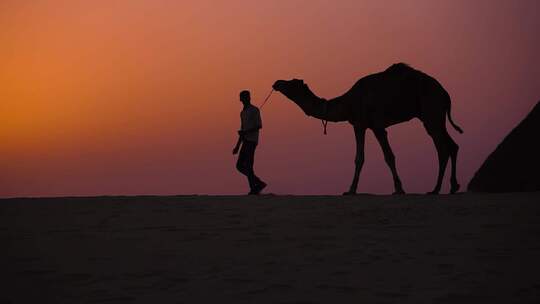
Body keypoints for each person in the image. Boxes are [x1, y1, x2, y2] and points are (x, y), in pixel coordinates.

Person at [233, 90, 267, 195]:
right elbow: (242, 131)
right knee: (239, 166)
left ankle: (254, 188)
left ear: (248, 98)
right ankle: (258, 183)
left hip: (252, 141)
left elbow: (259, 126)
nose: (243, 99)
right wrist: (237, 146)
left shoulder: (254, 110)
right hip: (245, 141)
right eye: (242, 97)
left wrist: (246, 132)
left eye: (244, 97)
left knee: (248, 165)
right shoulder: (242, 113)